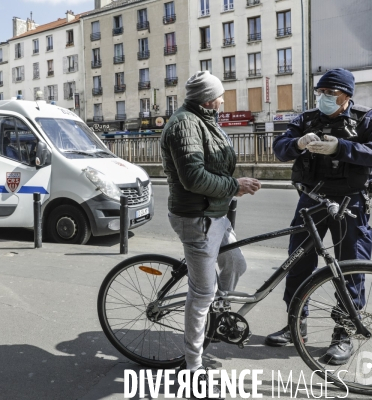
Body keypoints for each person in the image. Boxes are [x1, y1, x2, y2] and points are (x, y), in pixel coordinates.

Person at [269, 68, 372, 365]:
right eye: (321, 93)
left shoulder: (369, 119)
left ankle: (343, 333)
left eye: (331, 94)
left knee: (349, 268)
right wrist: (298, 144)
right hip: (313, 199)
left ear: (347, 96)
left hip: (351, 202)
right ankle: (297, 324)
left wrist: (341, 147)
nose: (325, 99)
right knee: (298, 261)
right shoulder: (307, 119)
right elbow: (279, 149)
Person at [161, 71, 261, 398]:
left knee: (236, 265)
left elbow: (214, 163)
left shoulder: (204, 118)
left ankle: (216, 321)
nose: (223, 100)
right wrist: (234, 186)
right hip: (196, 217)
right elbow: (192, 177)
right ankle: (193, 364)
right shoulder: (184, 124)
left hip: (215, 212)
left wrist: (233, 186)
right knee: (202, 293)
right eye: (220, 95)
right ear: (208, 98)